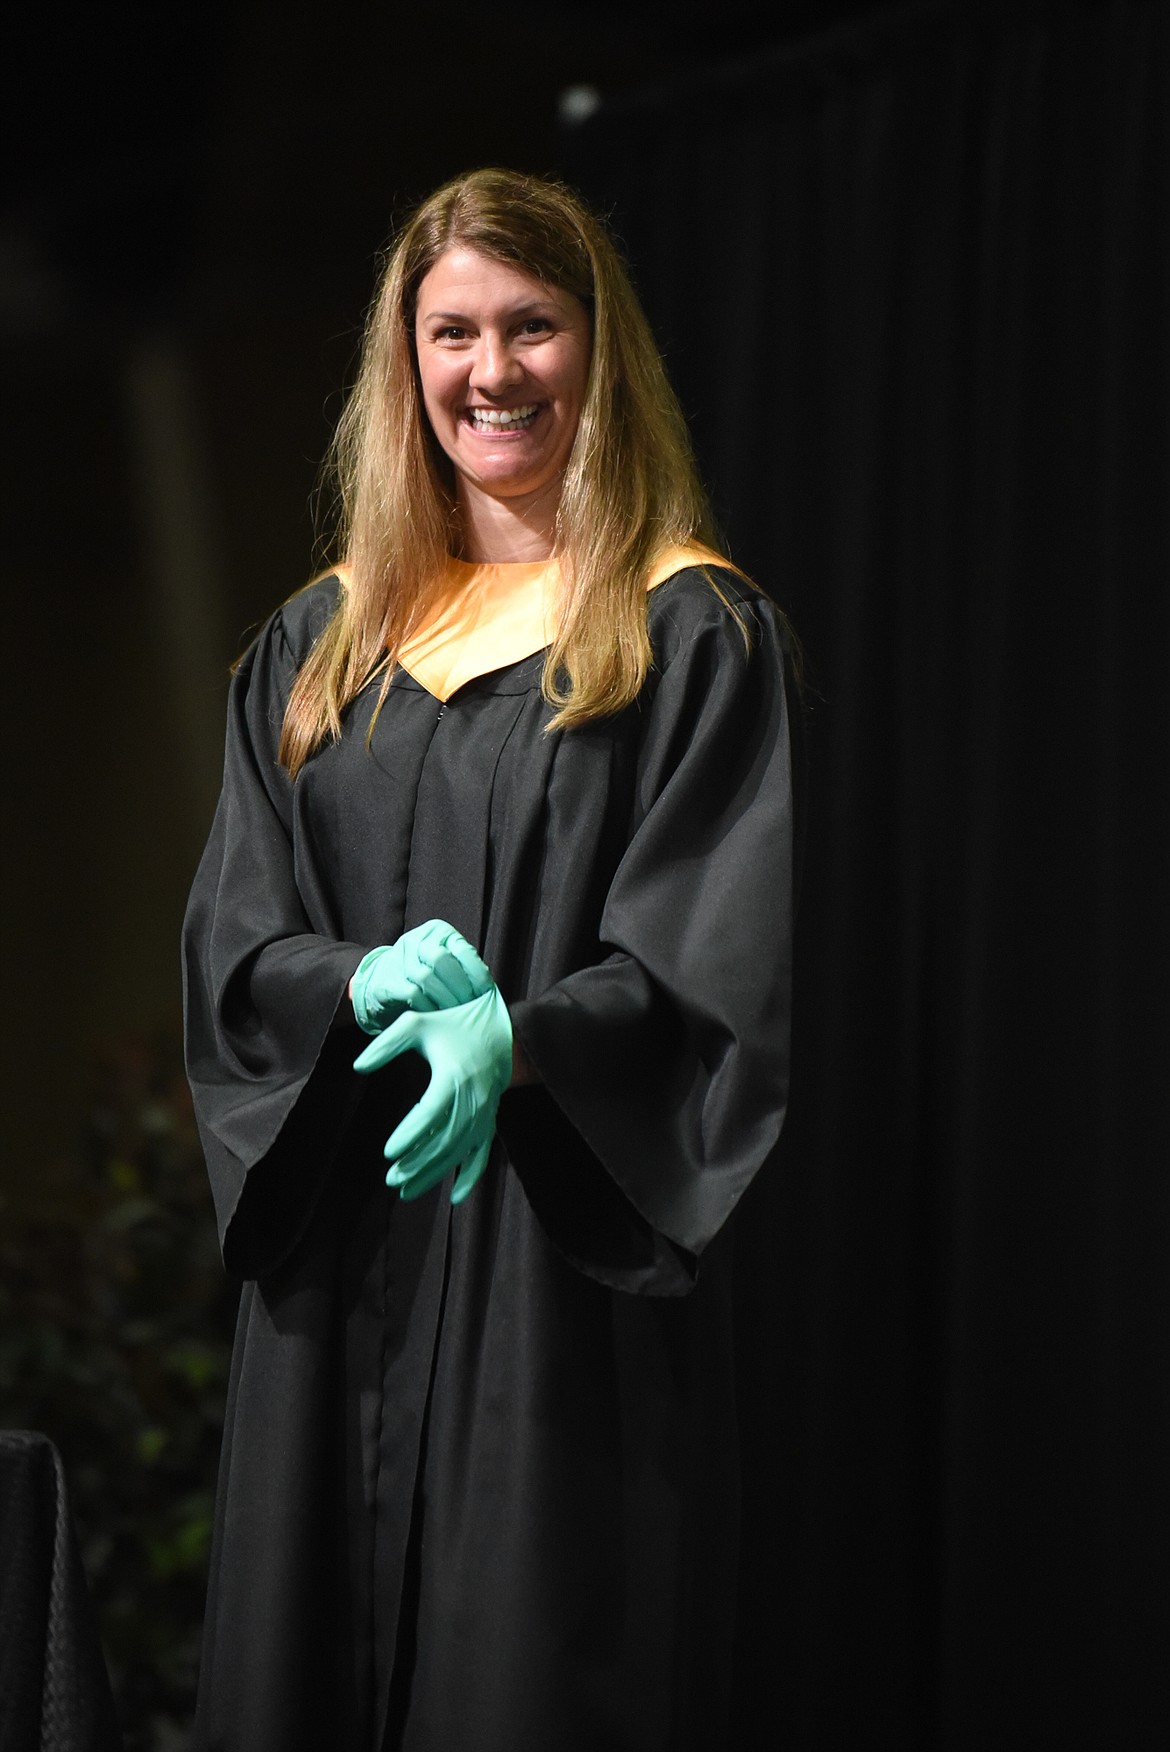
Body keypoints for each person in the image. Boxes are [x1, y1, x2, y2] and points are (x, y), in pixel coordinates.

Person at [183, 166, 798, 1752]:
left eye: (532, 326)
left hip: (552, 1271)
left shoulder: (686, 636)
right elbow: (237, 939)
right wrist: (354, 986)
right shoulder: (317, 651)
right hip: (341, 1252)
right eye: (451, 333)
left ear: (600, 352)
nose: (491, 370)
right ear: (407, 367)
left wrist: (516, 1042)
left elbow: (708, 962)